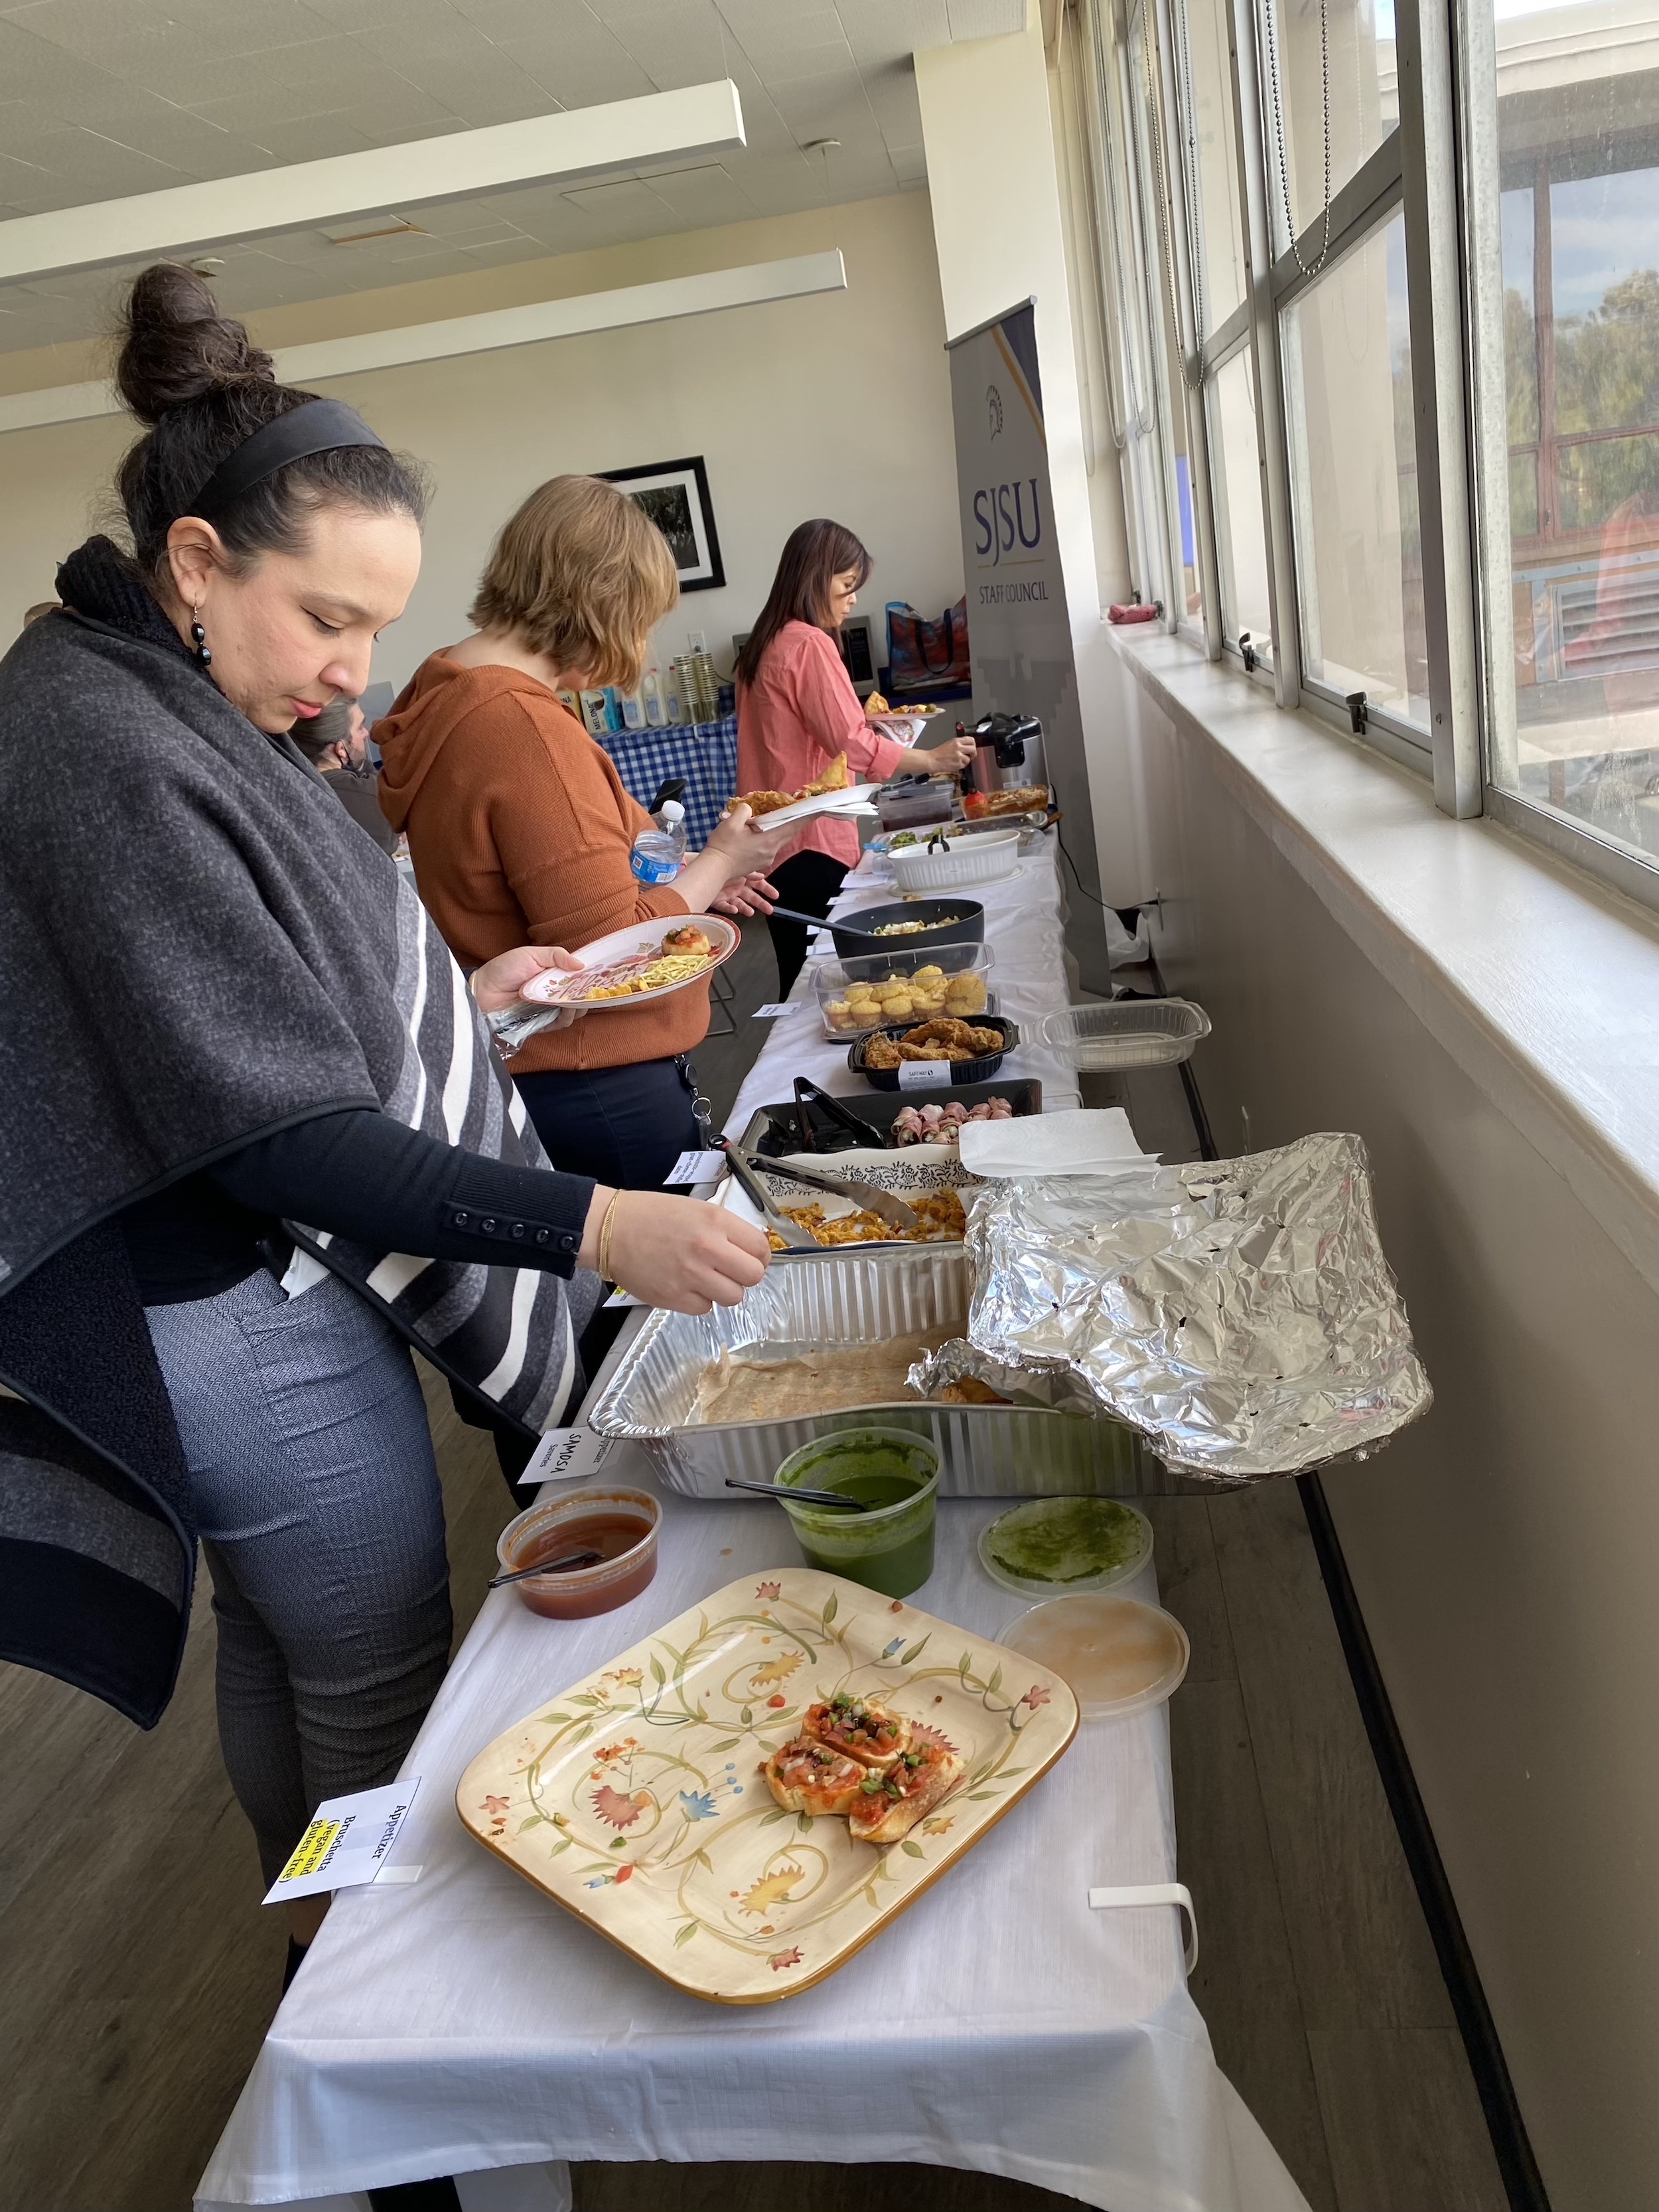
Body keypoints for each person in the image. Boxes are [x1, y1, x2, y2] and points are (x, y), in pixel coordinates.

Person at [0, 265, 770, 1982]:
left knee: (286, 1656)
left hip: (217, 1291)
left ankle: (315, 1987)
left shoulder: (147, 696)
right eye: (328, 621)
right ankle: (389, 2025)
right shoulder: (100, 737)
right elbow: (262, 1127)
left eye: (374, 625)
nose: (354, 672)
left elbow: (275, 999)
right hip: (224, 1299)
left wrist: (466, 1012)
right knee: (378, 1674)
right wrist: (596, 1224)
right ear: (196, 564)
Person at [378, 475, 790, 1189]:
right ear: (604, 605)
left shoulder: (442, 686)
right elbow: (611, 949)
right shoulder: (522, 726)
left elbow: (564, 873)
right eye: (642, 619)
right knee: (652, 1297)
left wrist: (695, 876)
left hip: (545, 1082)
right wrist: (721, 858)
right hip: (598, 1079)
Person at [735, 519, 975, 994]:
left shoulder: (765, 642)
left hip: (774, 844)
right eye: (846, 585)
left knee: (799, 982)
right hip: (813, 838)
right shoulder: (809, 643)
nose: (853, 599)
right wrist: (933, 759)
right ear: (814, 578)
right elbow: (853, 744)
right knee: (840, 982)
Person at [289, 693, 398, 853]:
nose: (366, 733)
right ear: (341, 749)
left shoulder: (292, 789)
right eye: (360, 727)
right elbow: (392, 839)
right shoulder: (367, 794)